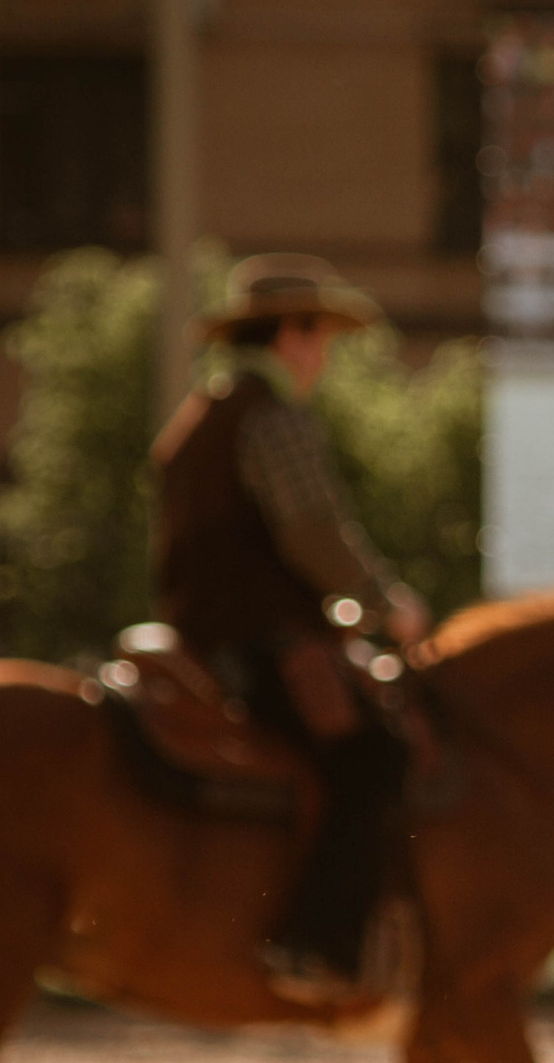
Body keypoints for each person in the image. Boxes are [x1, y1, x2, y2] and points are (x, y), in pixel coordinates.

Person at [150, 254, 431, 999]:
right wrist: (387, 601)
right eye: (320, 336)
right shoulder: (275, 421)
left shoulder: (199, 416)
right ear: (292, 337)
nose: (325, 355)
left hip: (202, 641)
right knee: (375, 760)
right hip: (262, 642)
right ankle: (315, 944)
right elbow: (313, 531)